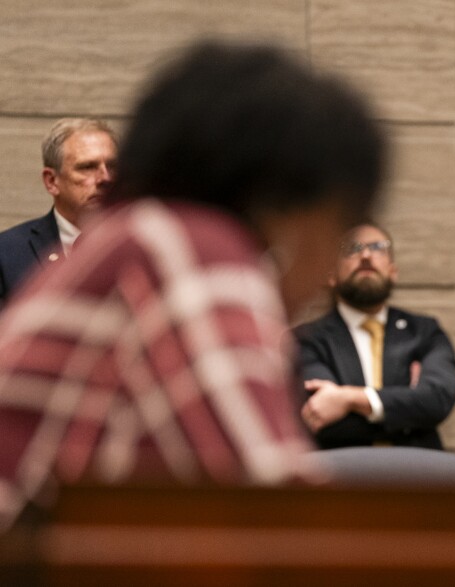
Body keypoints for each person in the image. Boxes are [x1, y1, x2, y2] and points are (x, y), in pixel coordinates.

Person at [0, 40, 386, 530]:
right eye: (342, 224)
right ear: (298, 212)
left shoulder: (130, 240)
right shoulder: (192, 249)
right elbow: (275, 514)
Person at [295, 223, 455, 449]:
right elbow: (320, 416)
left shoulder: (425, 332)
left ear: (393, 272)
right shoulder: (305, 339)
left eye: (378, 247)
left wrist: (348, 399)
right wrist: (410, 410)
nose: (365, 255)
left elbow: (437, 400)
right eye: (352, 248)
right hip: (340, 476)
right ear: (330, 274)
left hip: (417, 475)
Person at [0, 118, 117, 307]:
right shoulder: (6, 254)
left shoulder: (147, 246)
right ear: (52, 181)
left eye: (112, 166)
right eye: (87, 167)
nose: (106, 178)